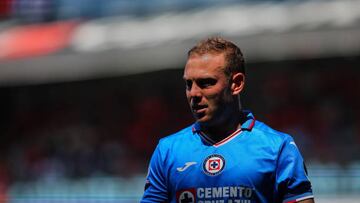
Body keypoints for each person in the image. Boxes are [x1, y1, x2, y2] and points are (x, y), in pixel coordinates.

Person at [141, 37, 314, 203]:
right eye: (188, 84)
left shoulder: (278, 148)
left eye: (206, 82)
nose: (193, 93)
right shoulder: (167, 151)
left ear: (236, 83)